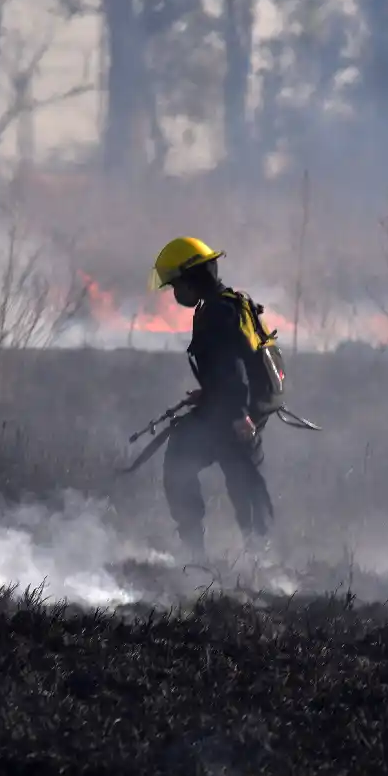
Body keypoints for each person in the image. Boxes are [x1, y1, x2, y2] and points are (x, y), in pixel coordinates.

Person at [148, 236, 277, 562]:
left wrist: (236, 414)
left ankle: (199, 554)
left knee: (184, 463)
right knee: (242, 476)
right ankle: (257, 555)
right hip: (243, 406)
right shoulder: (228, 303)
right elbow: (237, 362)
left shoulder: (216, 314)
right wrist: (213, 394)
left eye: (177, 285)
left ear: (194, 279)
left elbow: (232, 368)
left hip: (236, 410)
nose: (176, 294)